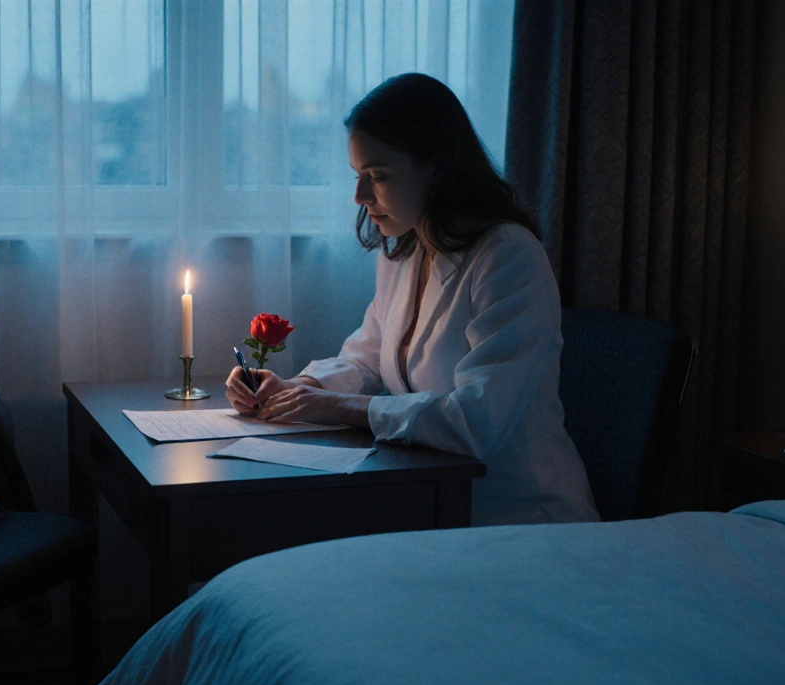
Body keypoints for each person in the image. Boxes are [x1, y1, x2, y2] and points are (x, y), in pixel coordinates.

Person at [225, 73, 598, 526]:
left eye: (377, 176)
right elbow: (365, 359)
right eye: (358, 176)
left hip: (514, 513)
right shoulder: (405, 250)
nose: (361, 197)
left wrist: (337, 408)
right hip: (428, 496)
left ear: (438, 167)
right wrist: (301, 389)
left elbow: (475, 422)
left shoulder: (509, 257)